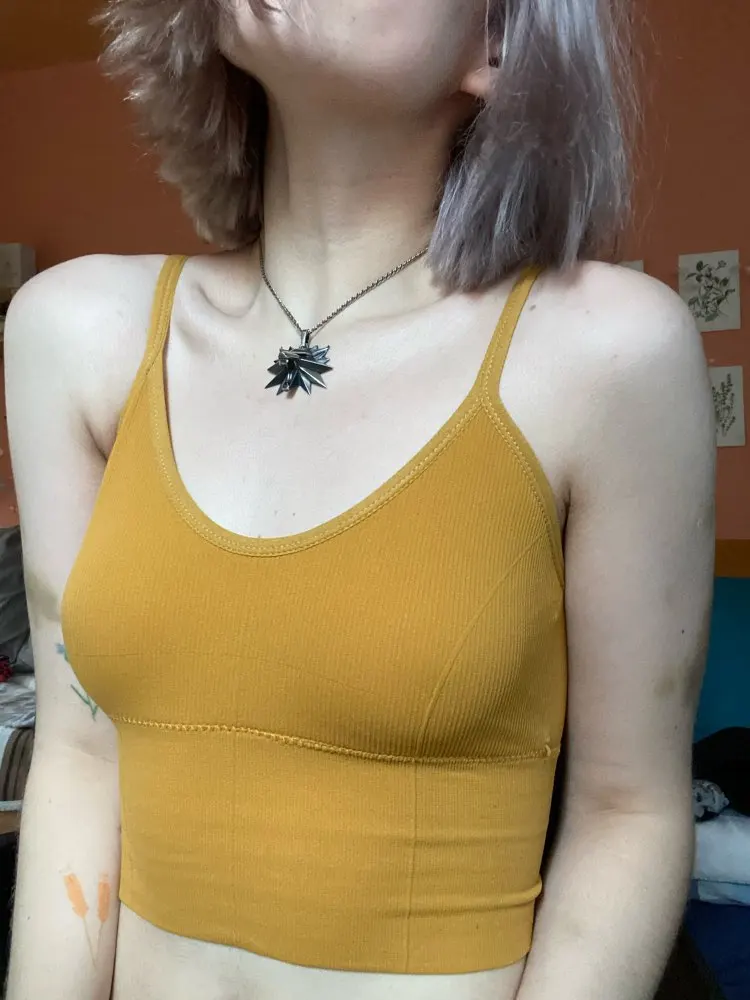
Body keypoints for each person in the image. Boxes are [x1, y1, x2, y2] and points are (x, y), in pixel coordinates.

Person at [5, 1, 716, 998]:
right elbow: (80, 760)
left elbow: (627, 811)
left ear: (496, 42)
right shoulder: (73, 332)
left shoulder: (609, 352)